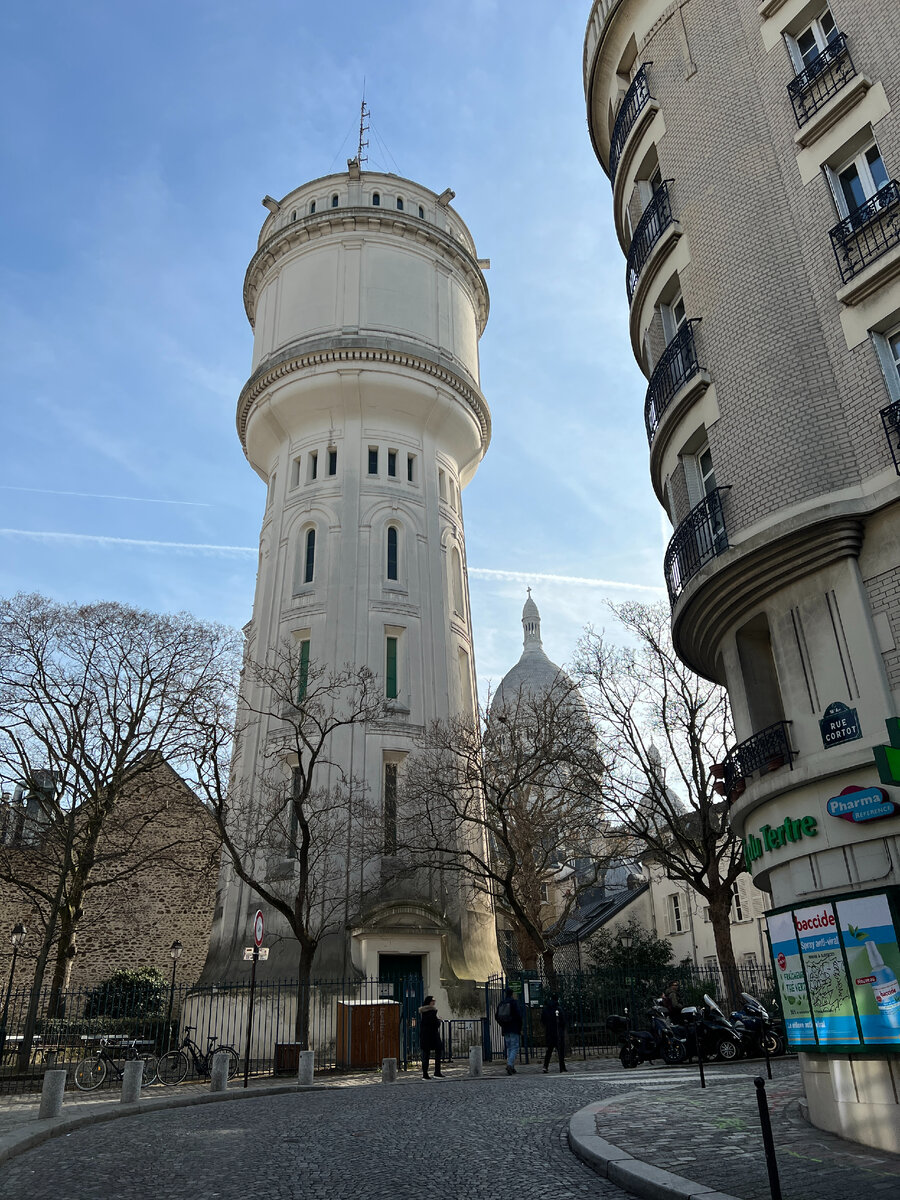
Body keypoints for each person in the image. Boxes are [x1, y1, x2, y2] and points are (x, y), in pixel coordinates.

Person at [495, 986, 523, 1075]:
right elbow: (519, 1015)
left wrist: (502, 1024)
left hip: (505, 1028)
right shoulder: (514, 1003)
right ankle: (510, 1065)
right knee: (514, 1047)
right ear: (512, 994)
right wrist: (520, 1026)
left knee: (509, 1047)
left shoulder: (501, 1003)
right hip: (514, 1027)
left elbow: (496, 1016)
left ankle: (511, 1066)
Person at [541, 993, 568, 1073]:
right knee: (560, 1051)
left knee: (549, 1051)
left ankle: (545, 1066)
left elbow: (543, 1020)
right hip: (558, 1032)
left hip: (549, 1032)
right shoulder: (558, 1008)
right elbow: (563, 1021)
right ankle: (562, 1066)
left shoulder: (546, 1009)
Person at [418, 995, 443, 1079]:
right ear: (429, 1002)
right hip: (432, 1035)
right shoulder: (432, 1012)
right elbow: (435, 1024)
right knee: (437, 1053)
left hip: (425, 1036)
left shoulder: (423, 1012)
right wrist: (439, 1021)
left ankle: (425, 1074)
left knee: (426, 1055)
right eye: (433, 1000)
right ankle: (436, 1072)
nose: (434, 1002)